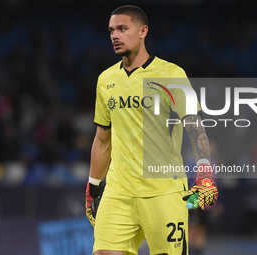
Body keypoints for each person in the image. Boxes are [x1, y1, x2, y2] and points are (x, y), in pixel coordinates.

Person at [85, 5, 218, 255]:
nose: (115, 35)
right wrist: (93, 185)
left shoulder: (172, 75)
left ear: (143, 31)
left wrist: (204, 170)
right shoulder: (105, 80)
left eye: (123, 29)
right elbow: (103, 139)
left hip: (164, 193)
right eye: (112, 30)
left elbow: (195, 127)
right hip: (118, 191)